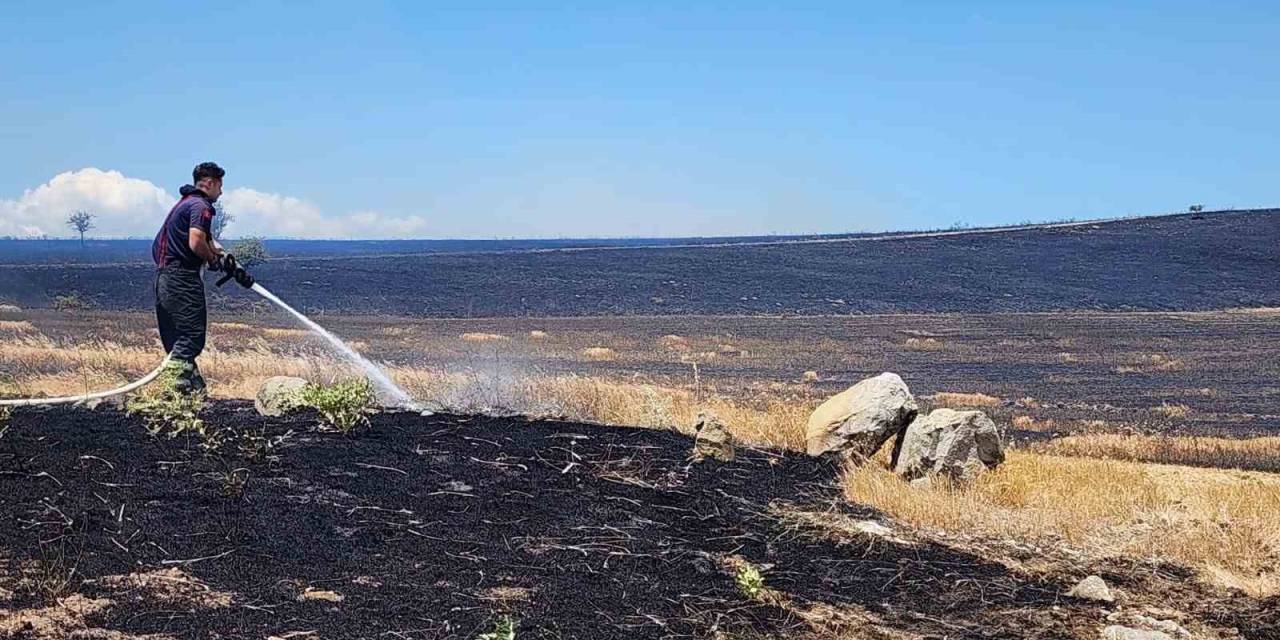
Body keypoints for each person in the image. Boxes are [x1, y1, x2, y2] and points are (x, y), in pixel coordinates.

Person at [151, 162, 226, 393]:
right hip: (181, 279)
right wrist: (212, 261)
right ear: (210, 183)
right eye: (220, 187)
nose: (221, 193)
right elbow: (196, 241)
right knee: (192, 336)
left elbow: (207, 241)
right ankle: (175, 390)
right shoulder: (201, 206)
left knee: (176, 341)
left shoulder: (184, 204)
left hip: (164, 279)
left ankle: (194, 390)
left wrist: (223, 257)